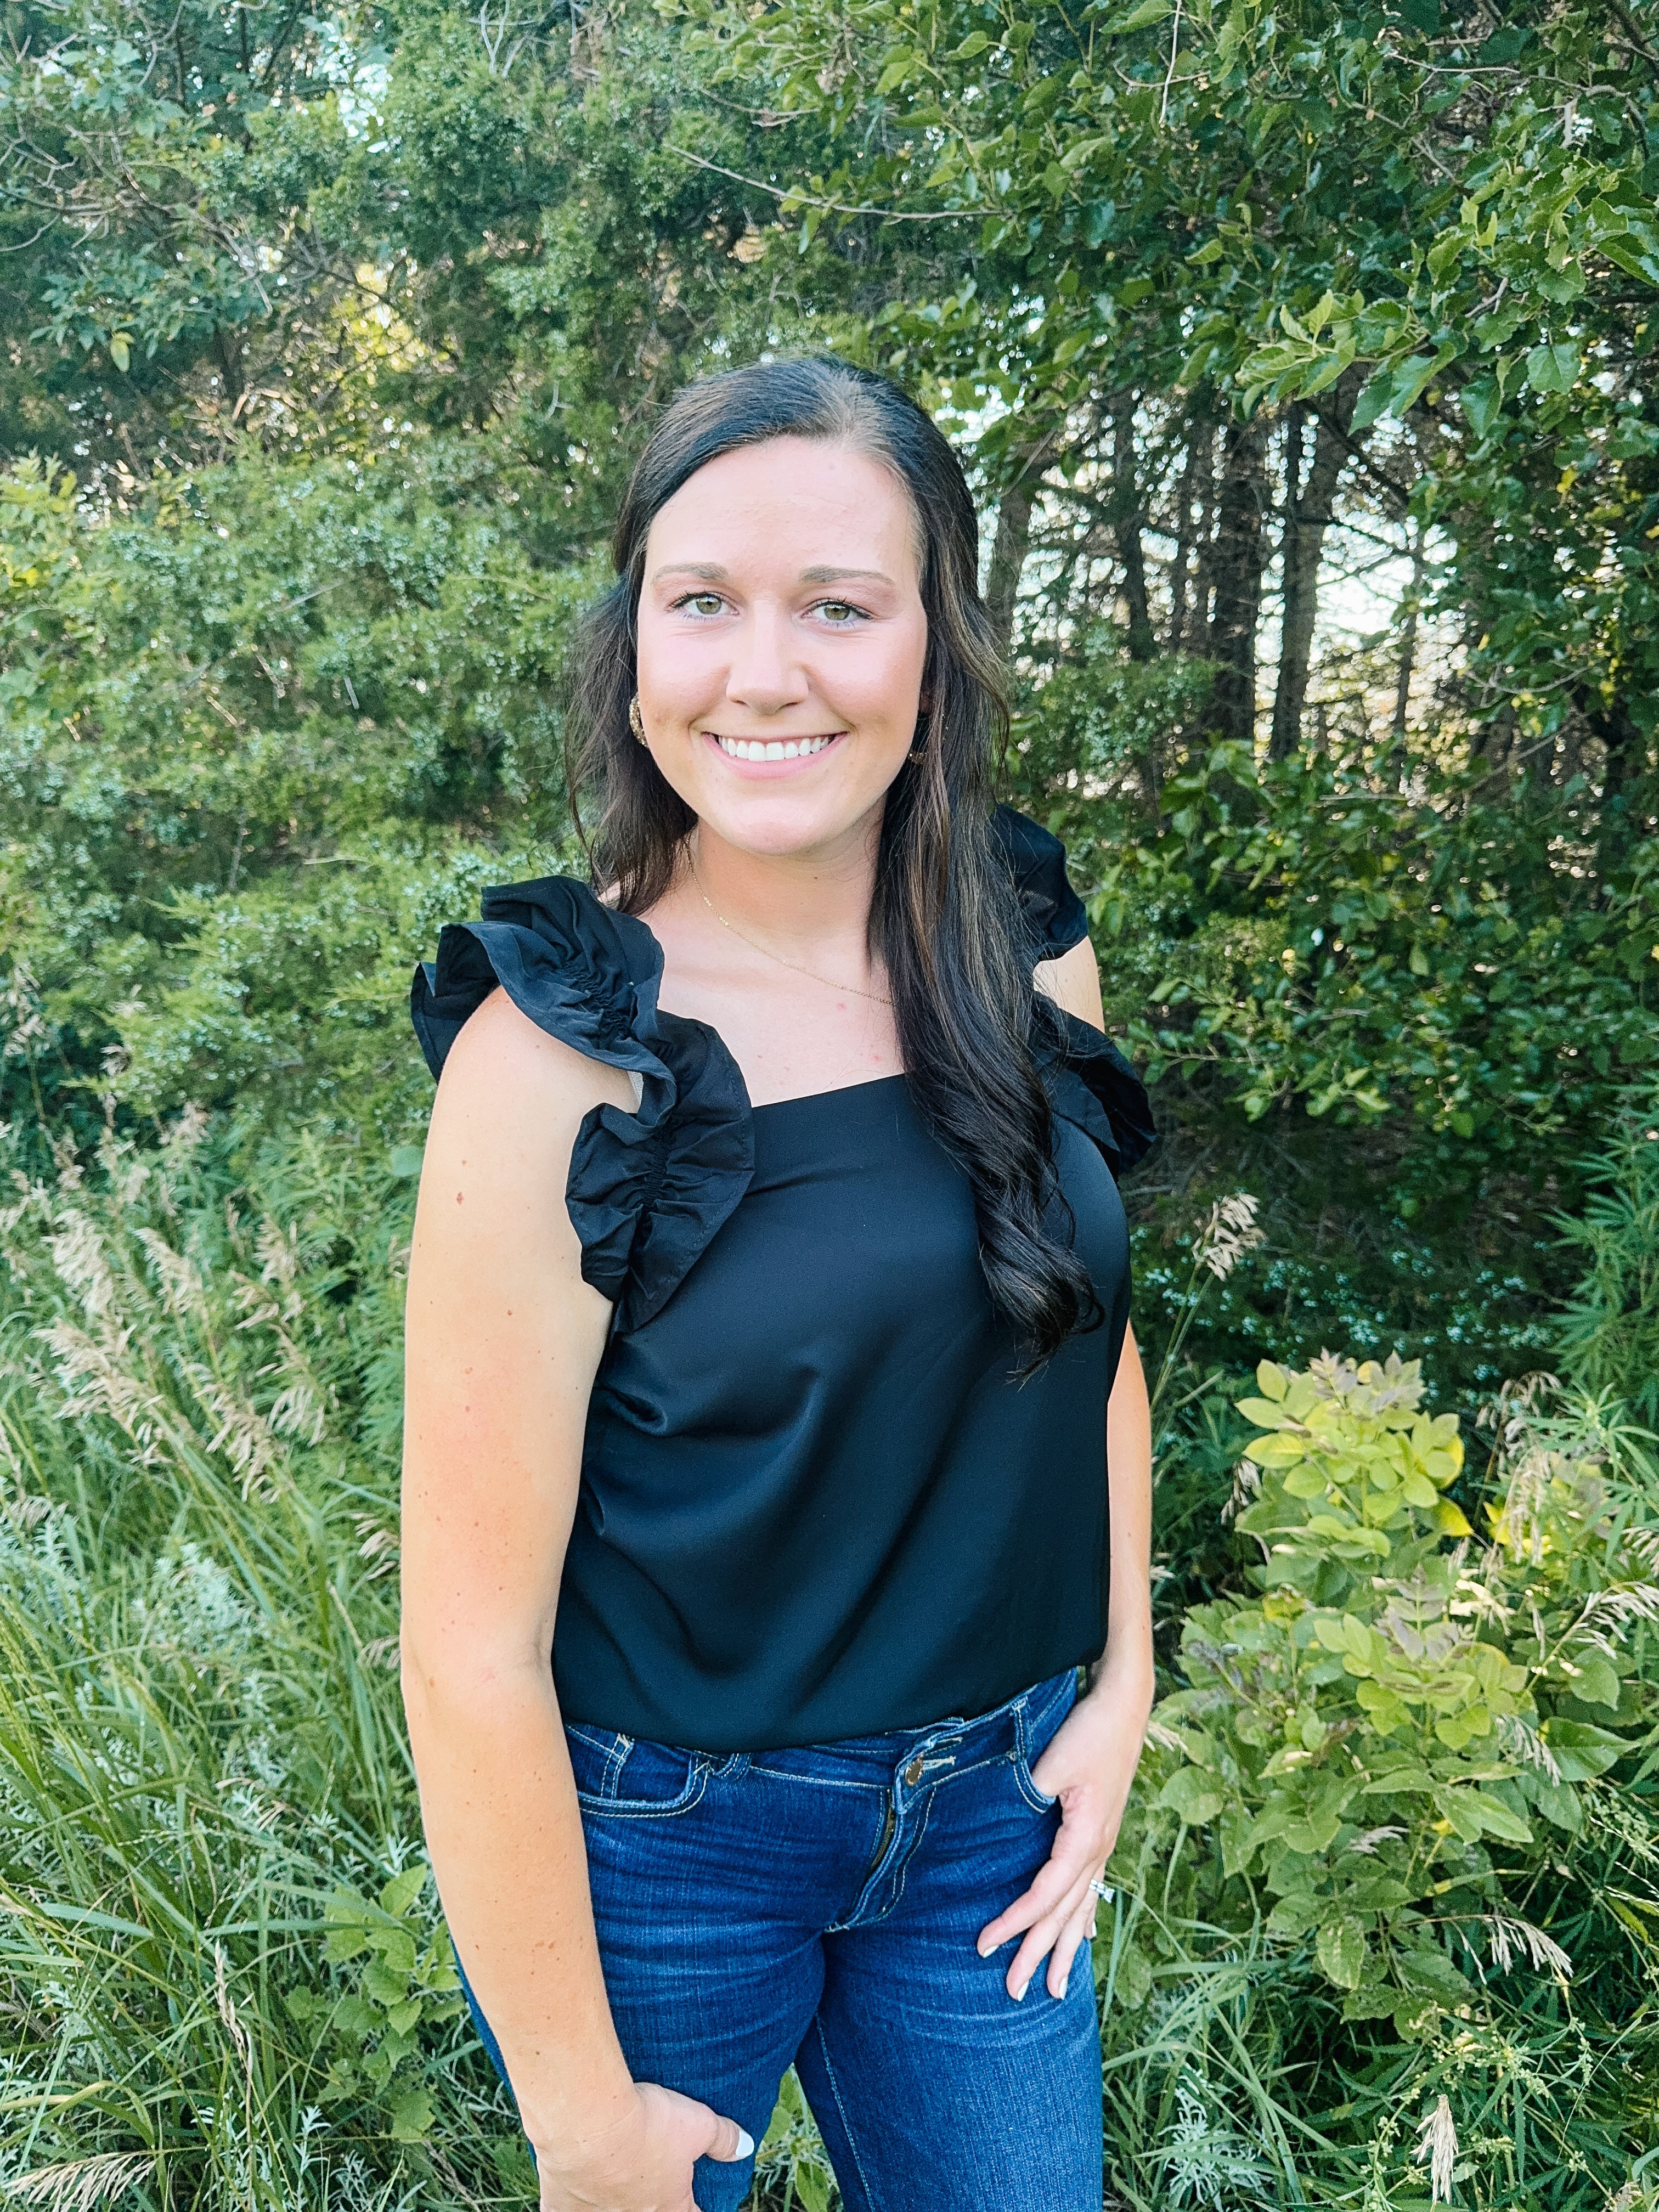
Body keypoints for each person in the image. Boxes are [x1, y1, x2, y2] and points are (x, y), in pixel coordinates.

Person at [400, 356, 1156, 2212]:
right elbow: (469, 1645)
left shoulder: (1020, 942)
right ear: (635, 644)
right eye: (703, 602)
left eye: (839, 605)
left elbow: (1088, 1339)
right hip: (667, 1852)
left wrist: (1128, 1672)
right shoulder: (560, 1053)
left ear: (933, 643)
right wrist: (583, 2128)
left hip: (991, 1824)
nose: (764, 672)